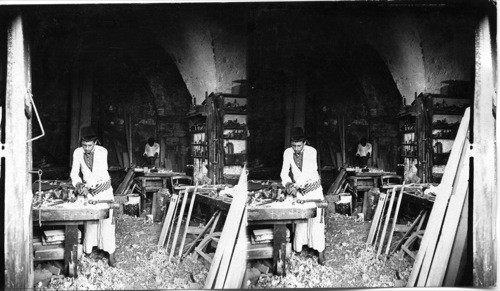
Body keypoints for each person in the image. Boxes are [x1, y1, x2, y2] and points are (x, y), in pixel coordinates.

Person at [70, 127, 116, 267]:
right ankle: (89, 251)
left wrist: (85, 186)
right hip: (88, 191)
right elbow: (74, 172)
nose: (87, 148)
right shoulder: (78, 152)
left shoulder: (103, 152)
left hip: (103, 190)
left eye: (90, 145)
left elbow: (99, 174)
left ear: (95, 142)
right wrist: (78, 184)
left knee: (107, 222)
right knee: (89, 221)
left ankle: (111, 252)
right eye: (84, 145)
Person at [280, 126, 326, 265]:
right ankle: (299, 250)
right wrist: (288, 184)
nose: (296, 149)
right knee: (300, 221)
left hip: (313, 190)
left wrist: (295, 186)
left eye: (299, 146)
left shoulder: (312, 151)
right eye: (293, 145)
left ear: (305, 143)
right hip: (299, 192)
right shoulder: (288, 153)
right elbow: (283, 172)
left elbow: (307, 172)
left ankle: (320, 251)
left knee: (317, 220)